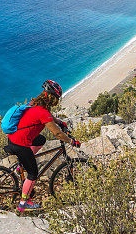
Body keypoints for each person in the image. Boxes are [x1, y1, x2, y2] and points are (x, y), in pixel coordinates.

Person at [5, 79, 80, 211]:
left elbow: (47, 116)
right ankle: (23, 204)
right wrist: (71, 141)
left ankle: (22, 165)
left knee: (40, 140)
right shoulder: (43, 112)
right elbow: (57, 134)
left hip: (14, 138)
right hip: (20, 144)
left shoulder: (36, 104)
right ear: (52, 98)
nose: (58, 101)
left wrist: (59, 121)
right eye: (57, 98)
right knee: (33, 173)